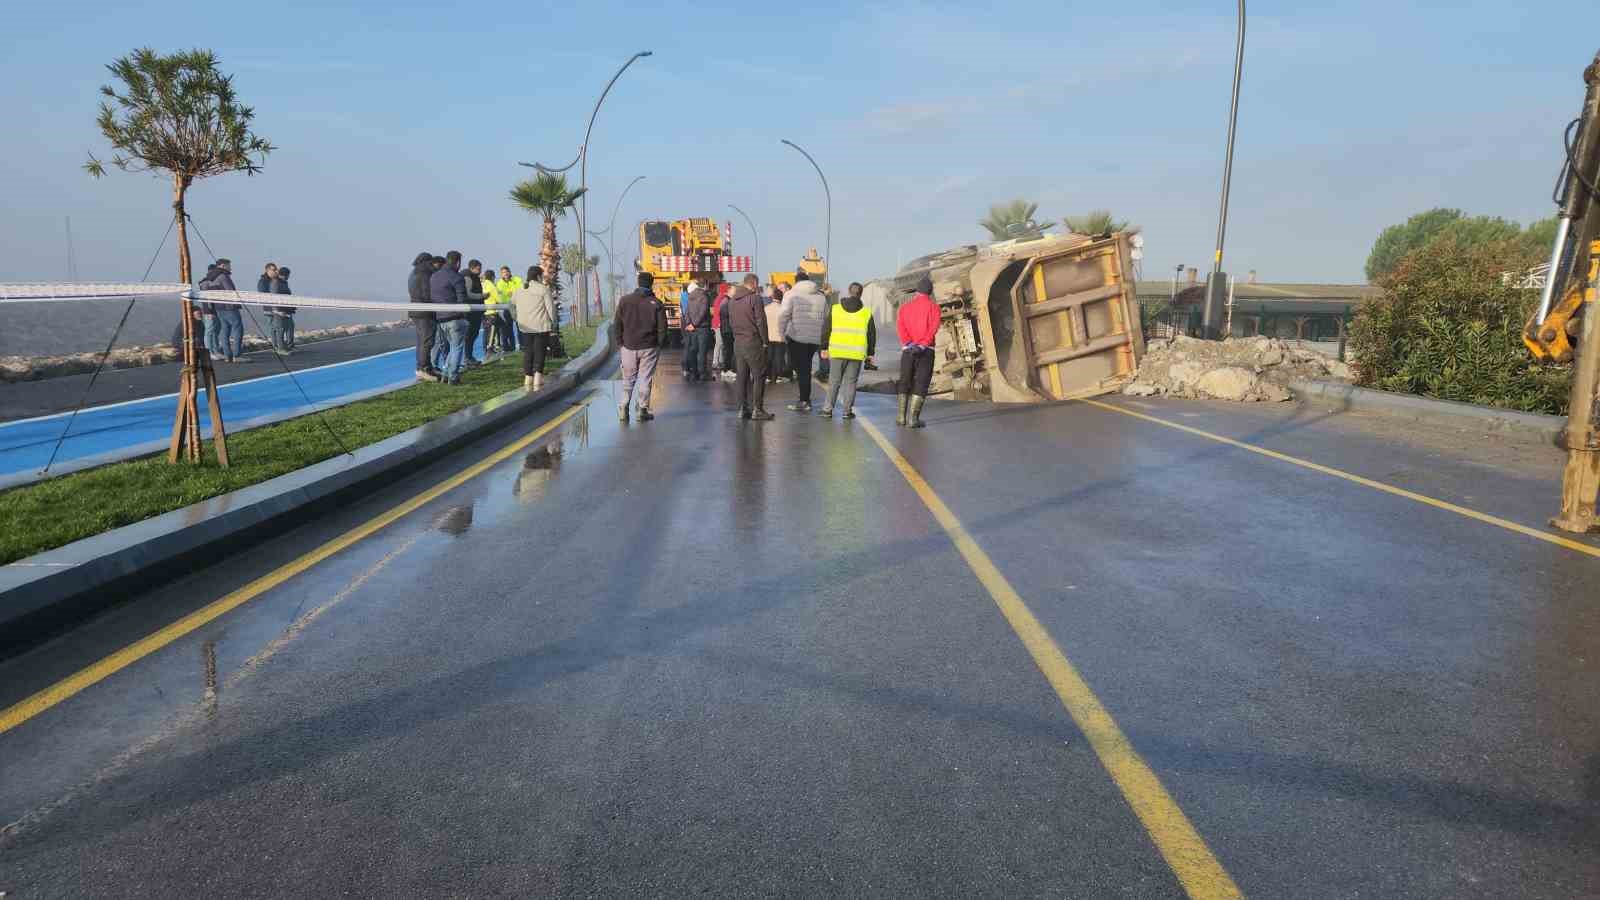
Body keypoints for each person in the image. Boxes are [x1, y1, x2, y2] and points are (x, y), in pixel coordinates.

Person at [612, 272, 667, 422]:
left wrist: (620, 343)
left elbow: (617, 324)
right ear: (651, 284)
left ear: (637, 282)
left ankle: (623, 408)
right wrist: (659, 344)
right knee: (645, 378)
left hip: (628, 346)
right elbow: (662, 328)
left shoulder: (624, 301)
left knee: (628, 379)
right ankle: (642, 410)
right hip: (649, 347)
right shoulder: (656, 303)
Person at [818, 281, 876, 419]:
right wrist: (870, 354)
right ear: (860, 294)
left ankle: (827, 410)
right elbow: (871, 335)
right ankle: (847, 411)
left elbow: (826, 329)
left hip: (838, 352)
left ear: (849, 292)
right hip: (856, 354)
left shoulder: (836, 309)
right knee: (851, 383)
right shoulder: (866, 313)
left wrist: (824, 347)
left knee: (834, 381)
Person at [778, 271, 827, 412]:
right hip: (815, 339)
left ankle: (804, 401)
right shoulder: (821, 296)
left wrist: (781, 334)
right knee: (805, 367)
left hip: (797, 337)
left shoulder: (790, 294)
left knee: (802, 370)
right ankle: (805, 399)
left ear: (796, 281)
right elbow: (826, 316)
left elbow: (783, 316)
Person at [897, 274, 940, 428]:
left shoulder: (904, 308)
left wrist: (908, 343)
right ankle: (913, 419)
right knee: (921, 382)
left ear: (917, 291)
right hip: (926, 350)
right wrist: (922, 345)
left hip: (908, 350)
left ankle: (901, 417)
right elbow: (933, 329)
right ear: (930, 292)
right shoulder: (934, 308)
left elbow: (901, 327)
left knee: (905, 380)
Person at [728, 274, 773, 420]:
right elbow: (760, 321)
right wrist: (765, 341)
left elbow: (731, 321)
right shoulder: (755, 299)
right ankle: (758, 410)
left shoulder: (732, 300)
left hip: (738, 342)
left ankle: (742, 408)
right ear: (753, 283)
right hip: (752, 342)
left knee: (742, 376)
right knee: (759, 375)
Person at [429, 251, 471, 384]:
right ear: (458, 262)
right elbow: (462, 299)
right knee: (457, 348)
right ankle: (453, 377)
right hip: (455, 318)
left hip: (441, 318)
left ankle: (446, 373)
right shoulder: (457, 277)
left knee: (453, 348)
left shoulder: (434, 277)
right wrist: (464, 316)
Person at [513, 265, 557, 390]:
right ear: (538, 276)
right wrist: (554, 322)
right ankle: (538, 377)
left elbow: (511, 305)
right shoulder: (543, 289)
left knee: (528, 351)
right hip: (541, 326)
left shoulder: (519, 289)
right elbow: (550, 309)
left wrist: (516, 318)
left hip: (525, 326)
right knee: (540, 351)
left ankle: (528, 378)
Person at [409, 251, 440, 382]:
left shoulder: (413, 273)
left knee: (421, 341)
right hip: (425, 312)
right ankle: (423, 368)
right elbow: (428, 294)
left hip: (416, 310)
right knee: (427, 341)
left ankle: (424, 367)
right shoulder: (425, 274)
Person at [211, 259, 245, 363]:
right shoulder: (223, 276)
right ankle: (237, 355)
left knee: (224, 330)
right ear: (222, 265)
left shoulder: (212, 277)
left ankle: (227, 355)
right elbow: (230, 291)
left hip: (219, 307)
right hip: (229, 307)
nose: (230, 267)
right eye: (229, 265)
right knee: (238, 328)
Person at [681, 279, 711, 382]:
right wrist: (694, 324)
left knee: (693, 350)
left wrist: (689, 324)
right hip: (702, 327)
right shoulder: (704, 296)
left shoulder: (690, 296)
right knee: (702, 352)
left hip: (692, 328)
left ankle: (694, 372)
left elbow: (687, 312)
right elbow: (702, 312)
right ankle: (702, 373)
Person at [463, 260, 488, 367]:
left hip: (476, 311)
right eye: (478, 268)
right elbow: (468, 294)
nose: (480, 271)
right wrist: (482, 296)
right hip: (470, 312)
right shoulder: (468, 278)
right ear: (472, 268)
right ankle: (467, 358)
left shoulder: (474, 277)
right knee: (469, 335)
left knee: (473, 335)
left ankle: (469, 357)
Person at [257, 263, 283, 353]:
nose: (276, 271)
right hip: (270, 308)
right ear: (267, 270)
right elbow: (263, 294)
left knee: (278, 328)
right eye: (274, 269)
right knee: (276, 328)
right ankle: (277, 347)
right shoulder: (263, 281)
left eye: (276, 269)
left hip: (277, 308)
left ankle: (278, 346)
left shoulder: (276, 280)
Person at [763, 289, 787, 384]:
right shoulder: (783, 309)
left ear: (772, 297)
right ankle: (778, 376)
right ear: (782, 297)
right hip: (780, 336)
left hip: (768, 336)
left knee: (769, 357)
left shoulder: (766, 308)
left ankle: (768, 376)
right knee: (779, 357)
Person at [498, 266, 522, 352]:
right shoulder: (499, 283)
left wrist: (513, 294)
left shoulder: (516, 280)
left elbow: (520, 289)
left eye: (507, 272)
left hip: (517, 306)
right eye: (503, 272)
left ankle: (522, 345)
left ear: (510, 272)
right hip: (506, 308)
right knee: (508, 328)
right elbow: (500, 295)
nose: (506, 274)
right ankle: (512, 347)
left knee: (520, 327)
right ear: (501, 274)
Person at [273, 266, 296, 353]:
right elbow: (274, 297)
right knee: (280, 329)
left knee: (289, 327)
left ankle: (288, 346)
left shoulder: (284, 283)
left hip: (287, 309)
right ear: (284, 275)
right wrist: (277, 310)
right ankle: (281, 348)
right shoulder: (276, 283)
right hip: (280, 310)